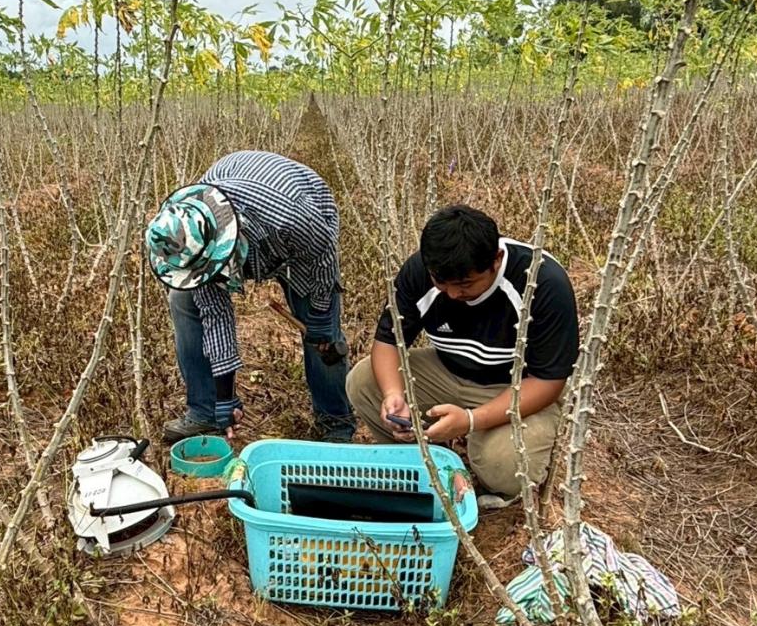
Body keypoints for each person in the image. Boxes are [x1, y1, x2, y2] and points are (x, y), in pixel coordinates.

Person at [346, 205, 578, 498]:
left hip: (516, 387)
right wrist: (394, 395)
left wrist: (470, 420)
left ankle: (486, 466)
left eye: (466, 284)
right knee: (363, 381)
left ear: (496, 260)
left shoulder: (542, 283)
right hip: (448, 372)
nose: (454, 295)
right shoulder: (423, 270)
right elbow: (388, 341)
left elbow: (548, 382)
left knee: (506, 467)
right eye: (441, 284)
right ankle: (427, 463)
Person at [145, 150, 356, 444]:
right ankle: (206, 412)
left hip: (301, 238)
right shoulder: (184, 229)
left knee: (323, 338)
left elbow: (322, 256)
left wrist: (320, 313)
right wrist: (225, 398)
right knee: (183, 300)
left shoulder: (291, 216)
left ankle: (335, 420)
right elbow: (215, 316)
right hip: (249, 224)